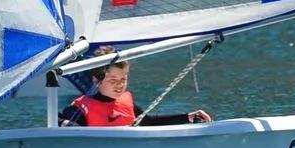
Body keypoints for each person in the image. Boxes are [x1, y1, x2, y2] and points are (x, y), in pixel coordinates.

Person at [60, 49, 212, 126]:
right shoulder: (80, 109)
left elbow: (150, 122)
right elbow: (58, 121)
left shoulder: (126, 103)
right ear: (96, 80)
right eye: (113, 80)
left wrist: (187, 117)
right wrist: (64, 123)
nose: (120, 84)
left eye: (123, 79)